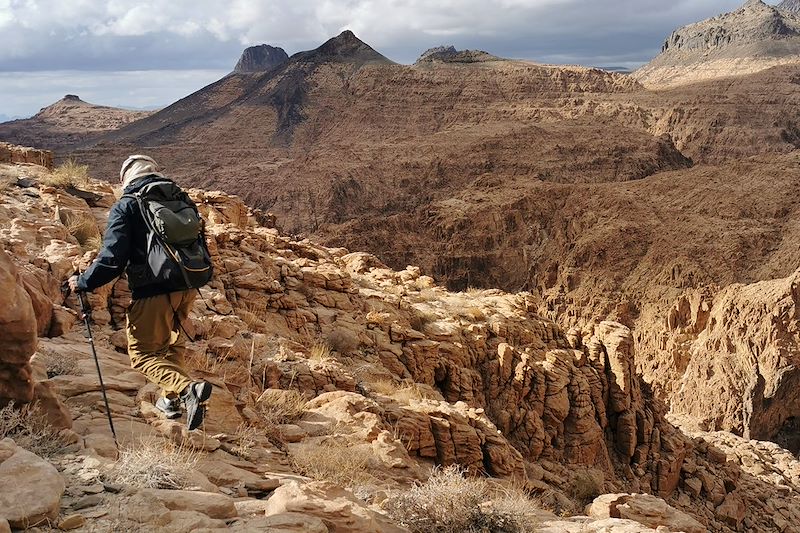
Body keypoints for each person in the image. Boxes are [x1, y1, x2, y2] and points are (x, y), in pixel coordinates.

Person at [68, 155, 212, 430]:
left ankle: (186, 390)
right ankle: (169, 401)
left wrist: (84, 281)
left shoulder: (127, 205)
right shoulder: (180, 198)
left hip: (154, 290)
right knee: (172, 344)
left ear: (125, 179)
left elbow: (112, 260)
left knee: (143, 353)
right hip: (188, 284)